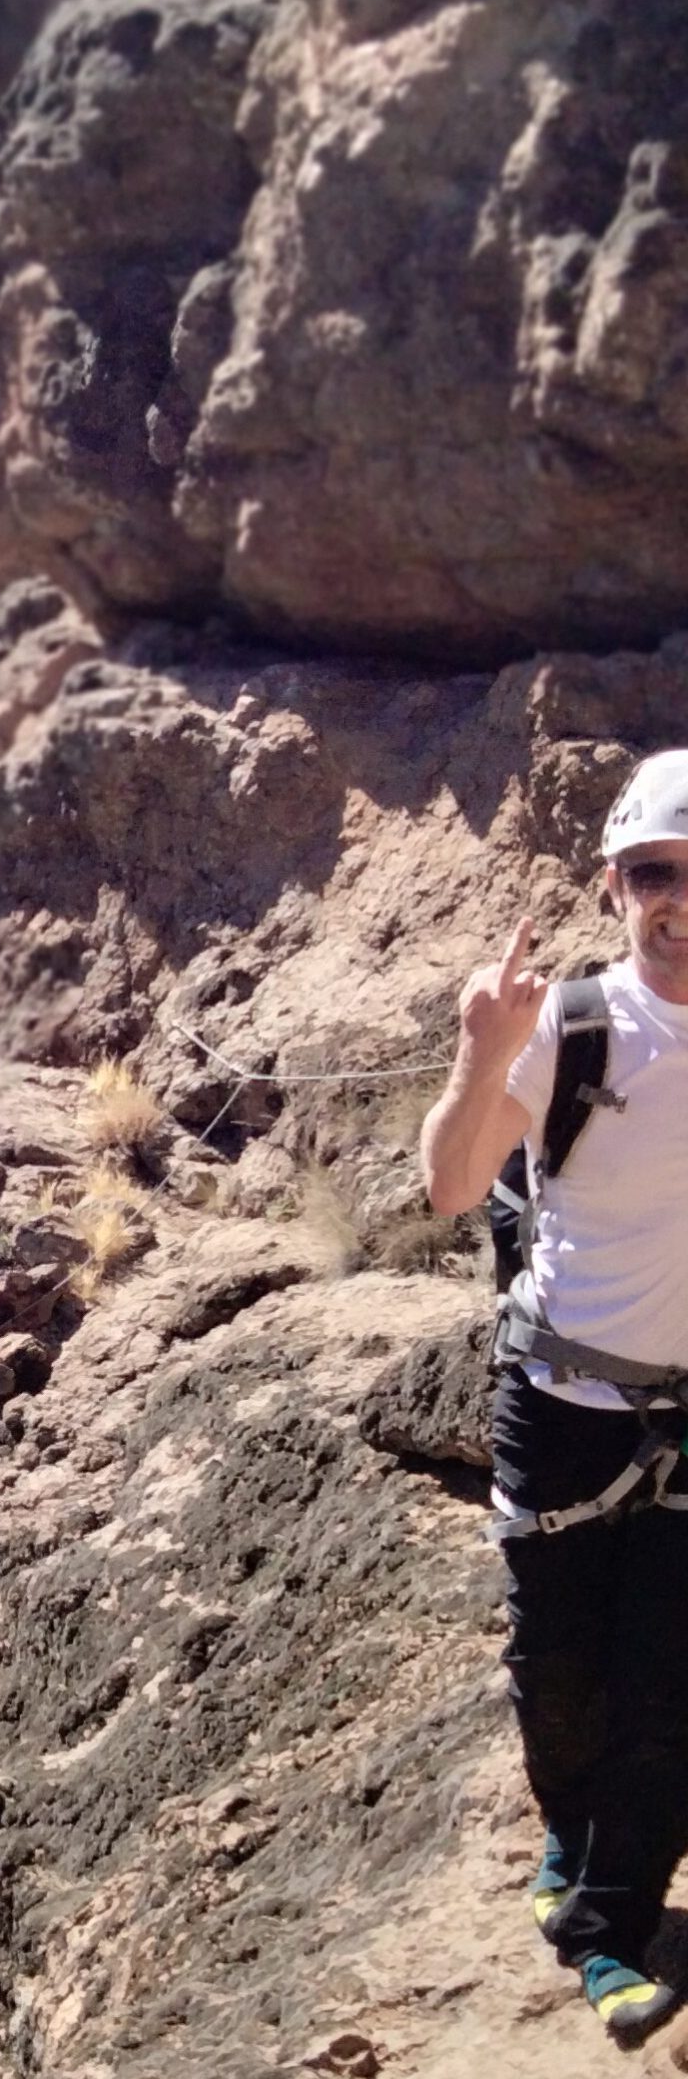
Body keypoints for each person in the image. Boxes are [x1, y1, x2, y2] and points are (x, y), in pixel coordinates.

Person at [420, 747, 688, 2044]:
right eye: (654, 872)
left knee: (670, 1687)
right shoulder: (575, 1027)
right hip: (564, 1403)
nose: (677, 899)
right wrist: (484, 1059)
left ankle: (610, 1929)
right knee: (559, 1676)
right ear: (614, 883)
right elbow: (456, 1187)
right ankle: (571, 1832)